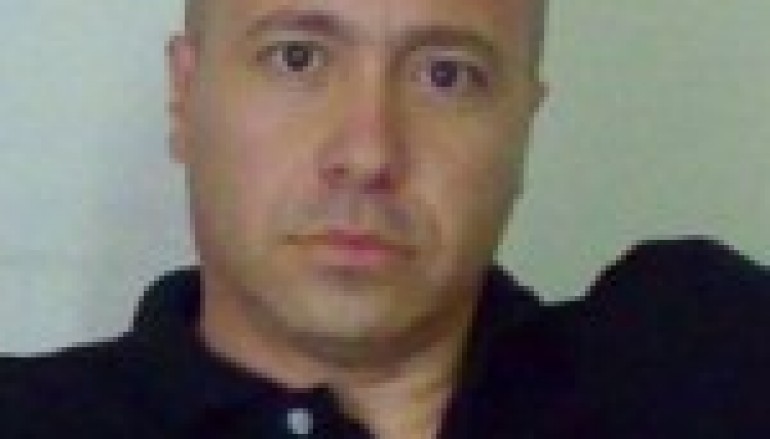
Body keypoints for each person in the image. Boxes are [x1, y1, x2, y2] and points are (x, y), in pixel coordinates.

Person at [1, 0, 768, 437]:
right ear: (184, 96)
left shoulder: (694, 364)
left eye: (447, 75)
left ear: (523, 126)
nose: (368, 153)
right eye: (297, 57)